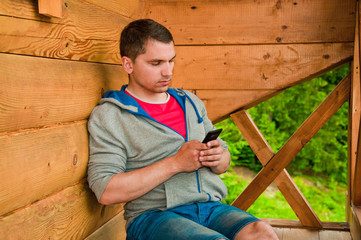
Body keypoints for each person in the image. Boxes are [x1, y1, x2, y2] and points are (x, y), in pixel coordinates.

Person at [87, 19, 278, 240]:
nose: (167, 71)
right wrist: (176, 164)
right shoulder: (111, 115)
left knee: (262, 233)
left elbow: (225, 162)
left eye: (171, 61)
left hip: (209, 208)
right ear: (128, 64)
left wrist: (219, 157)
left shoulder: (190, 102)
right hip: (153, 216)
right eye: (156, 63)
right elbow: (106, 190)